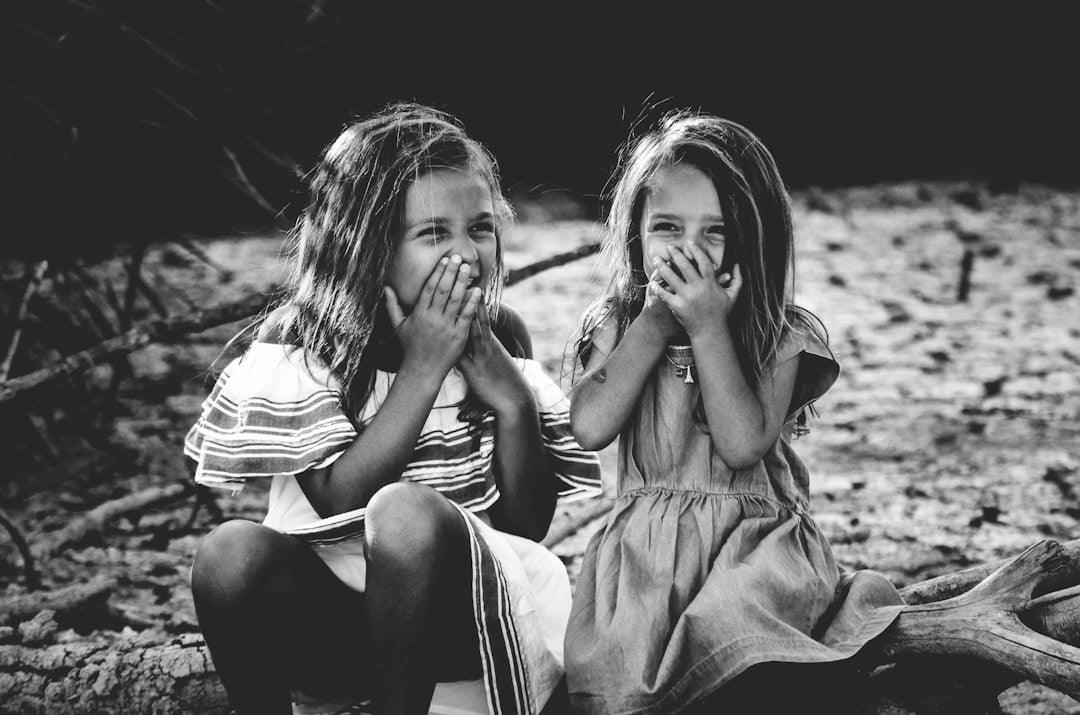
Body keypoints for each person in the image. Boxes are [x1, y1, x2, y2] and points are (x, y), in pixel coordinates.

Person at [184, 103, 602, 715]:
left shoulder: (499, 336)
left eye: (480, 227)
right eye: (434, 233)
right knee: (227, 552)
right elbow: (339, 500)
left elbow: (524, 529)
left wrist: (512, 403)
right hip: (334, 625)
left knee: (406, 514)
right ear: (369, 246)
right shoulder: (303, 342)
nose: (465, 253)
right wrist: (424, 368)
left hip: (466, 624)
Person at [563, 111, 906, 713]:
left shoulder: (778, 335)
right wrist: (651, 325)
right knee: (621, 683)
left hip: (751, 551)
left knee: (733, 627)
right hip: (646, 563)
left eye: (715, 232)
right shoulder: (619, 324)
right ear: (635, 234)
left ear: (754, 238)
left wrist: (707, 327)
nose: (688, 251)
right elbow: (590, 426)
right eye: (667, 227)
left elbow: (742, 443)